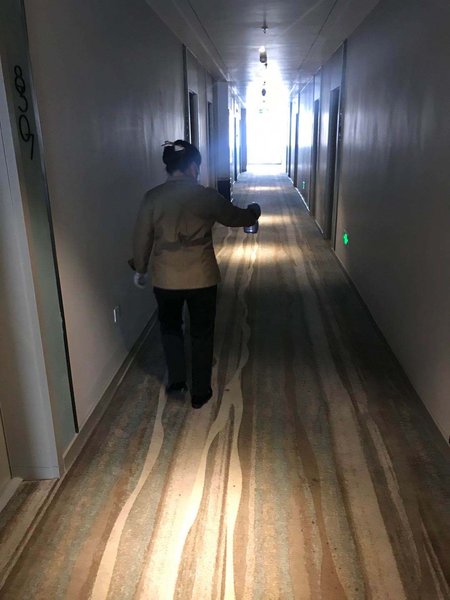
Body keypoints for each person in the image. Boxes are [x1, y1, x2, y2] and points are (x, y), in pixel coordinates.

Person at [131, 139, 261, 409]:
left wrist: (140, 269)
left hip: (166, 279)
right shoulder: (206, 196)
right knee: (202, 332)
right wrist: (253, 213)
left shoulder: (152, 198)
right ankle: (200, 391)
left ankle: (177, 381)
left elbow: (142, 237)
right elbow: (234, 217)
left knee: (170, 329)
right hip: (202, 277)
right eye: (197, 166)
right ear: (191, 166)